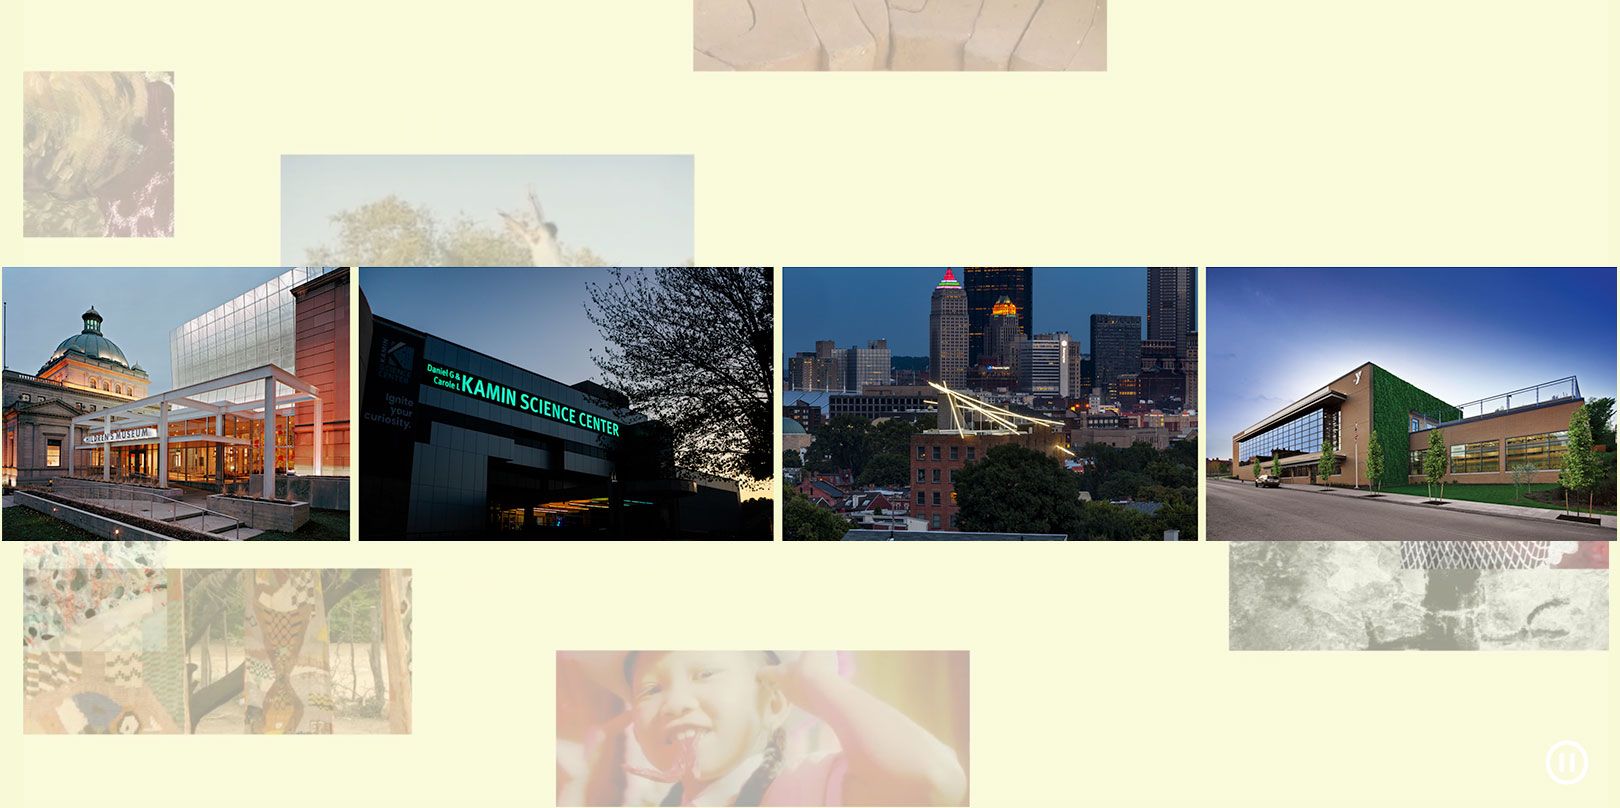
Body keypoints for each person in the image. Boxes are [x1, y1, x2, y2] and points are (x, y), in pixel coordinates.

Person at [562, 651, 966, 807]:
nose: (676, 702)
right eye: (650, 688)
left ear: (773, 703)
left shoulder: (801, 789)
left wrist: (821, 685)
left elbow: (934, 781)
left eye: (705, 673)